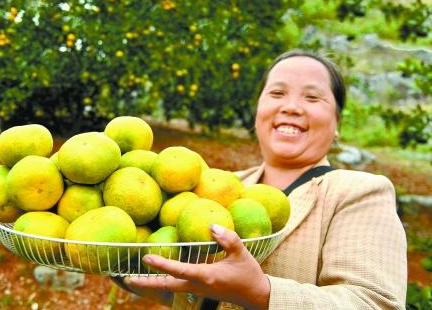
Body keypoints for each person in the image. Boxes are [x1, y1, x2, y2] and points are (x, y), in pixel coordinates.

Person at [117, 49, 407, 310]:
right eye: (277, 94)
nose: (291, 107)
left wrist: (262, 293)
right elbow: (192, 293)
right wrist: (122, 266)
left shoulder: (359, 193)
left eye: (312, 97)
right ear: (258, 112)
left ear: (337, 123)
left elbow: (374, 304)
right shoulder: (213, 187)